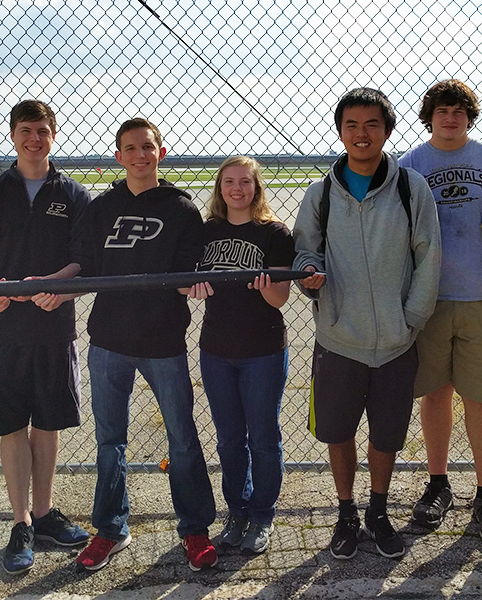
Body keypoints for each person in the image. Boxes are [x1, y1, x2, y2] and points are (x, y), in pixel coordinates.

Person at [293, 88, 442, 560]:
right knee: (338, 433)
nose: (362, 133)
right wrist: (309, 276)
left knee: (386, 436)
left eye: (372, 124)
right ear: (340, 132)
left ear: (387, 131)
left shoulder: (411, 188)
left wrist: (412, 317)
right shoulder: (320, 194)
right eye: (352, 125)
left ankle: (378, 512)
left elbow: (429, 255)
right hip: (338, 340)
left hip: (397, 342)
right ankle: (346, 513)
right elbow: (305, 252)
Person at [68, 118, 217, 572]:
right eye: (130, 148)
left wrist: (193, 286)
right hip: (108, 340)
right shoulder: (101, 208)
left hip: (162, 341)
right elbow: (84, 265)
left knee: (182, 437)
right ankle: (111, 529)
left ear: (161, 152)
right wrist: (53, 285)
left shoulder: (181, 209)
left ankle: (194, 527)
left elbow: (187, 272)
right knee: (110, 440)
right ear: (118, 156)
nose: (140, 155)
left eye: (148, 147)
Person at [0, 100, 91, 574]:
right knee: (12, 424)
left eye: (42, 130)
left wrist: (55, 284)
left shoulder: (73, 193)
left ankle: (43, 514)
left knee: (48, 422)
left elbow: (82, 259)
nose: (34, 139)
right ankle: (20, 522)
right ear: (13, 135)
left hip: (53, 326)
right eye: (26, 130)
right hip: (4, 329)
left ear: (53, 135)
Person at [399, 79, 482, 545]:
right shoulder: (410, 164)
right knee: (435, 394)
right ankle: (438, 483)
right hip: (430, 299)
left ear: (470, 116)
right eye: (442, 111)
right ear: (429, 117)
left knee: (481, 398)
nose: (450, 118)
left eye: (459, 111)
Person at [186, 156, 295, 555]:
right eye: (229, 182)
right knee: (230, 440)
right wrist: (192, 286)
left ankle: (262, 514)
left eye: (245, 182)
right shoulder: (207, 231)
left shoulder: (275, 233)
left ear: (256, 187)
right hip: (216, 349)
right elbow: (186, 281)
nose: (237, 189)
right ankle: (237, 510)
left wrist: (266, 287)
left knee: (263, 437)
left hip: (262, 350)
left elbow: (280, 299)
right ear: (219, 188)